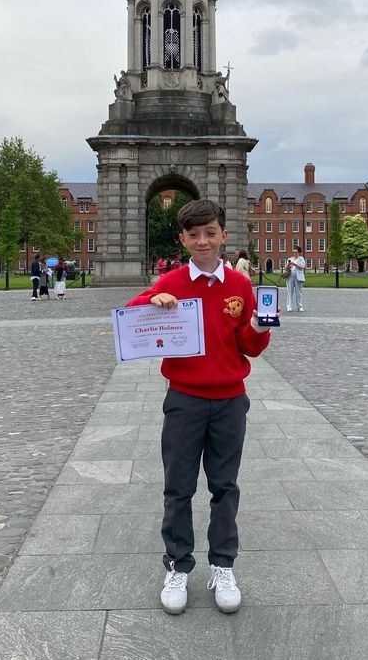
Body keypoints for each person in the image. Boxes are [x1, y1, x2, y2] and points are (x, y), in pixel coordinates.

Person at [126, 199, 273, 616]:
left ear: (224, 235)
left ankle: (223, 565)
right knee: (179, 486)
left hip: (229, 399)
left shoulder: (240, 286)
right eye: (194, 234)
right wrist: (152, 305)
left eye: (210, 232)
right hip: (185, 399)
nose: (203, 241)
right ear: (183, 239)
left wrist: (259, 327)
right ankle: (178, 566)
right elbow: (130, 317)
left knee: (224, 486)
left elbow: (249, 346)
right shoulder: (171, 280)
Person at [285, 246, 306, 312]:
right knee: (289, 292)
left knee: (298, 292)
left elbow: (302, 267)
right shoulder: (290, 259)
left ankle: (299, 307)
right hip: (290, 276)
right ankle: (289, 306)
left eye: (296, 252)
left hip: (298, 277)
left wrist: (295, 264)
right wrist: (288, 265)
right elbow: (286, 269)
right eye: (293, 252)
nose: (294, 253)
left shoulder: (301, 259)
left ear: (299, 253)